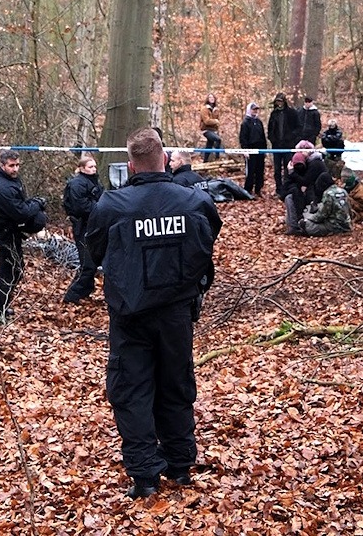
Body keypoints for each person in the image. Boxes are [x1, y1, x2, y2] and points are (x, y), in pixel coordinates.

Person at [85, 127, 222, 499]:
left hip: (138, 314)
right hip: (168, 313)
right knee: (173, 383)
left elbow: (92, 250)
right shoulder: (192, 201)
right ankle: (174, 464)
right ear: (163, 159)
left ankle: (154, 471)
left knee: (133, 389)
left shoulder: (114, 205)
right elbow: (209, 237)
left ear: (130, 166)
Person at [0, 149, 47, 317]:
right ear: (2, 165)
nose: (15, 169)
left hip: (11, 231)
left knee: (14, 268)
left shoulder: (9, 182)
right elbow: (21, 212)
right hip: (6, 232)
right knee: (10, 269)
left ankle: (1, 305)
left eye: (17, 165)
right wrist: (37, 204)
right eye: (11, 165)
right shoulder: (1, 187)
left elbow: (21, 206)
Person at [62, 154, 104, 305]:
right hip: (83, 226)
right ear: (82, 168)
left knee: (91, 262)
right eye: (90, 167)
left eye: (94, 167)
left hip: (94, 225)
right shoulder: (77, 184)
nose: (93, 170)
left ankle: (83, 291)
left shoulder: (94, 182)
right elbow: (80, 206)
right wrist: (99, 208)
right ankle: (73, 295)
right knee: (88, 264)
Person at [267, 92, 299, 197]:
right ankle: (279, 189)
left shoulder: (292, 113)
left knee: (288, 168)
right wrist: (272, 139)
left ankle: (287, 188)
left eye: (280, 101)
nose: (279, 104)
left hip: (288, 146)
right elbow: (270, 129)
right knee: (277, 169)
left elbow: (298, 128)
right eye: (277, 102)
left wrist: (291, 138)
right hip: (276, 146)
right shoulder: (274, 114)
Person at [239, 102, 266, 196]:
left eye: (256, 110)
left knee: (260, 170)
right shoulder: (245, 122)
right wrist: (245, 150)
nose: (255, 111)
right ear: (249, 110)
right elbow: (243, 138)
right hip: (250, 149)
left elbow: (263, 137)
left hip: (260, 149)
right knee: (250, 171)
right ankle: (248, 190)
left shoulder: (259, 122)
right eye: (253, 109)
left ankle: (258, 189)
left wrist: (265, 150)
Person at [199, 94, 223, 164]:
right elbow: (207, 121)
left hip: (213, 130)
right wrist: (215, 121)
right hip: (206, 130)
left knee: (209, 145)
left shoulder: (216, 109)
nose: (211, 98)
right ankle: (217, 158)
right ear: (207, 99)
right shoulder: (204, 109)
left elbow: (218, 120)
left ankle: (205, 161)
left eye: (213, 97)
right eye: (210, 97)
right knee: (218, 140)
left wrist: (216, 123)